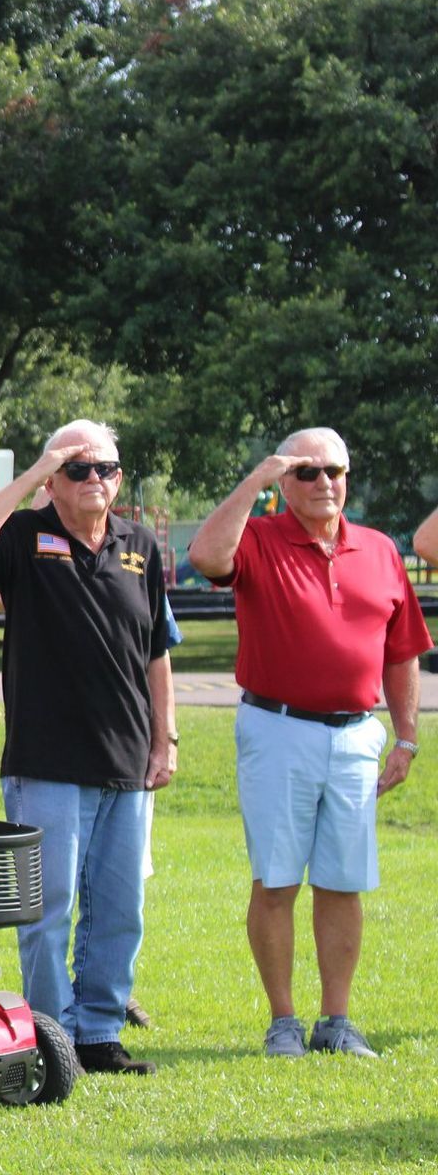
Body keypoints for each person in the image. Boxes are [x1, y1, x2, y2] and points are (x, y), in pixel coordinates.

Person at [0, 419, 174, 1076]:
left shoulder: (140, 545)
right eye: (78, 469)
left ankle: (99, 1031)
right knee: (48, 912)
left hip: (127, 761)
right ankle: (53, 1035)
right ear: (54, 481)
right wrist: (34, 473)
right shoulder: (22, 537)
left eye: (106, 468)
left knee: (119, 909)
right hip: (45, 761)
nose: (94, 479)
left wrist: (166, 738)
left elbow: (156, 649)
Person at [186, 428, 429, 1058]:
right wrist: (255, 480)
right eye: (306, 473)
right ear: (283, 484)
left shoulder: (379, 549)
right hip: (276, 727)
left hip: (356, 736)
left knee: (344, 881)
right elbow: (207, 557)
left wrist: (407, 738)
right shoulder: (259, 538)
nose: (323, 483)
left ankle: (337, 1022)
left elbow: (402, 653)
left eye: (334, 471)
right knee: (276, 880)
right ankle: (283, 1023)